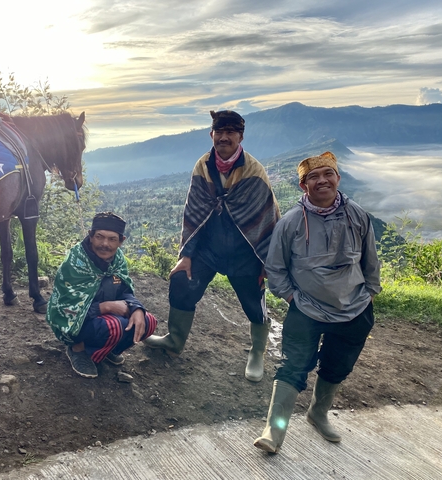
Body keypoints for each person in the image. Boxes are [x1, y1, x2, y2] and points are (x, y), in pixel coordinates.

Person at [254, 151, 381, 453]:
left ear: (337, 178)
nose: (322, 180)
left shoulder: (358, 215)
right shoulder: (291, 222)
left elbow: (370, 259)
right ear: (303, 185)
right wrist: (290, 296)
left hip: (355, 308)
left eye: (328, 174)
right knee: (293, 365)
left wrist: (370, 292)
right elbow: (275, 268)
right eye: (313, 176)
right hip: (306, 308)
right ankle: (274, 431)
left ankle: (318, 413)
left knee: (338, 365)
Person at [144, 110, 281, 382]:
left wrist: (266, 261)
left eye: (230, 132)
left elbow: (267, 217)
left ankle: (257, 352)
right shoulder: (202, 166)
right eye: (219, 132)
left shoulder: (254, 170)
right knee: (182, 282)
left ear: (240, 136)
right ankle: (174, 341)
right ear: (212, 135)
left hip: (245, 252)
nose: (224, 137)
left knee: (255, 303)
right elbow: (193, 213)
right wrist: (186, 255)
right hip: (208, 249)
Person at [46, 212, 157, 378]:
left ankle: (106, 348)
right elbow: (65, 309)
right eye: (99, 237)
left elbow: (125, 291)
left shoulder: (117, 260)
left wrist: (136, 308)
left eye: (112, 239)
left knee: (147, 321)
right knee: (114, 326)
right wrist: (106, 307)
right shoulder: (75, 263)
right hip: (74, 325)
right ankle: (78, 349)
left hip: (102, 319)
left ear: (121, 241)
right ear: (90, 236)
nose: (105, 244)